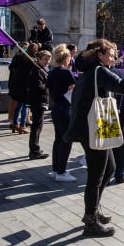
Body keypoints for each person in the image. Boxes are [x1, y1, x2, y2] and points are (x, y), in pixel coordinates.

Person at [64, 39, 124, 237]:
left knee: (110, 167)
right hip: (93, 128)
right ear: (99, 55)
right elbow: (123, 86)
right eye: (110, 54)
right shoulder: (98, 71)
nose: (113, 58)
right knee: (96, 175)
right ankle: (90, 221)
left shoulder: (91, 71)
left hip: (91, 127)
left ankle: (93, 210)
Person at [46, 46, 77, 180]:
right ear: (65, 58)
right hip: (65, 109)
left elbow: (48, 90)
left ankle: (55, 169)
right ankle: (61, 171)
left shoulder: (52, 72)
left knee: (58, 139)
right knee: (66, 140)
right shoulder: (66, 72)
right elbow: (72, 90)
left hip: (56, 108)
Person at [26, 49, 53, 161]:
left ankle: (35, 148)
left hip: (41, 101)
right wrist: (49, 87)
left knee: (38, 126)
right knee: (37, 127)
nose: (47, 61)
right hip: (37, 101)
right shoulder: (37, 71)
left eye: (49, 59)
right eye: (45, 59)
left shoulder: (43, 69)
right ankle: (34, 150)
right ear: (39, 59)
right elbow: (38, 87)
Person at [7, 44, 37, 134]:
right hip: (27, 86)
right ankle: (22, 125)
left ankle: (15, 124)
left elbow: (11, 67)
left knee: (19, 105)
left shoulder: (18, 57)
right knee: (25, 106)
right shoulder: (33, 60)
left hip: (17, 84)